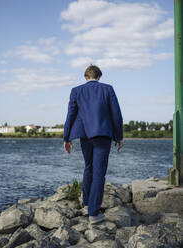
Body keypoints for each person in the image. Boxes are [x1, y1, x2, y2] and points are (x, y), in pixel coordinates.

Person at [63, 65, 123, 224]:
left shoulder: (76, 91)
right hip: (103, 135)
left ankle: (87, 203)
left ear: (86, 76)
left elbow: (70, 115)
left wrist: (66, 138)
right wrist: (119, 136)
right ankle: (94, 213)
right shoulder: (108, 89)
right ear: (99, 76)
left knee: (88, 167)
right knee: (99, 172)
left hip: (84, 135)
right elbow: (116, 114)